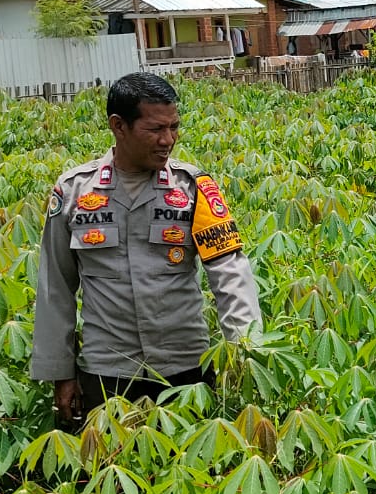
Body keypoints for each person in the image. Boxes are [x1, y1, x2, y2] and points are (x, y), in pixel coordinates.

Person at [31, 72, 262, 426]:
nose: (167, 140)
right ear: (118, 126)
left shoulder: (194, 188)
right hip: (107, 372)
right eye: (155, 129)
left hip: (186, 368)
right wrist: (60, 372)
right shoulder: (74, 191)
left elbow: (230, 272)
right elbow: (55, 287)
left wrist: (244, 351)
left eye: (174, 127)